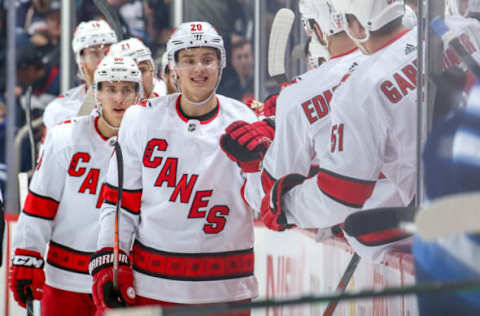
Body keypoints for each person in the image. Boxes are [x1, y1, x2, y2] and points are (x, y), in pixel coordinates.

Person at [89, 21, 258, 316]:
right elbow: (119, 203)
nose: (199, 69)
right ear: (173, 68)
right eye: (189, 60)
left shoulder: (244, 121)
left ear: (221, 64)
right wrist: (110, 259)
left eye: (208, 59)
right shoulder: (141, 119)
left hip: (227, 287)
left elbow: (260, 203)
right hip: (153, 286)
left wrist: (261, 163)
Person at [256, 0, 417, 262]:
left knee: (358, 227)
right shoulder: (453, 31)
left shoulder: (356, 91)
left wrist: (286, 206)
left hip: (442, 220)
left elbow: (341, 194)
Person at [9, 55, 142, 316]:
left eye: (127, 89)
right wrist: (27, 255)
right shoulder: (65, 137)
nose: (119, 98)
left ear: (138, 94)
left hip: (123, 279)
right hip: (64, 281)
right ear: (97, 93)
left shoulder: (147, 144)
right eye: (111, 89)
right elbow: (40, 204)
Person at [42, 19, 118, 131]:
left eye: (109, 53)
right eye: (95, 54)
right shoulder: (61, 109)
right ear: (81, 63)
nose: (104, 61)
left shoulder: (138, 100)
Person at [219, 38, 254, 103]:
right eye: (239, 57)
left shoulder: (261, 84)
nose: (243, 61)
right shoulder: (228, 89)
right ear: (233, 61)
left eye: (246, 56)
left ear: (253, 58)